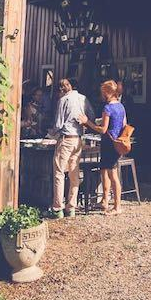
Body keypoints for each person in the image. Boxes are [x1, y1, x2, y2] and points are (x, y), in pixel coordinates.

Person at [79, 79, 127, 215]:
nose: (101, 95)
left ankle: (117, 206)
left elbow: (103, 129)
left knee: (112, 175)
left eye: (102, 92)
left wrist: (87, 122)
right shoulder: (121, 107)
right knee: (105, 170)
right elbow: (124, 124)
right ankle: (105, 201)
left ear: (107, 92)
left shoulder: (108, 108)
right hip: (117, 142)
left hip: (108, 143)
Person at [49, 78, 93, 219]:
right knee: (74, 174)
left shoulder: (63, 100)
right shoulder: (83, 98)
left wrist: (50, 133)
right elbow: (90, 117)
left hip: (66, 139)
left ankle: (57, 207)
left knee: (59, 173)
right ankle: (71, 207)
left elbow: (58, 123)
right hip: (78, 139)